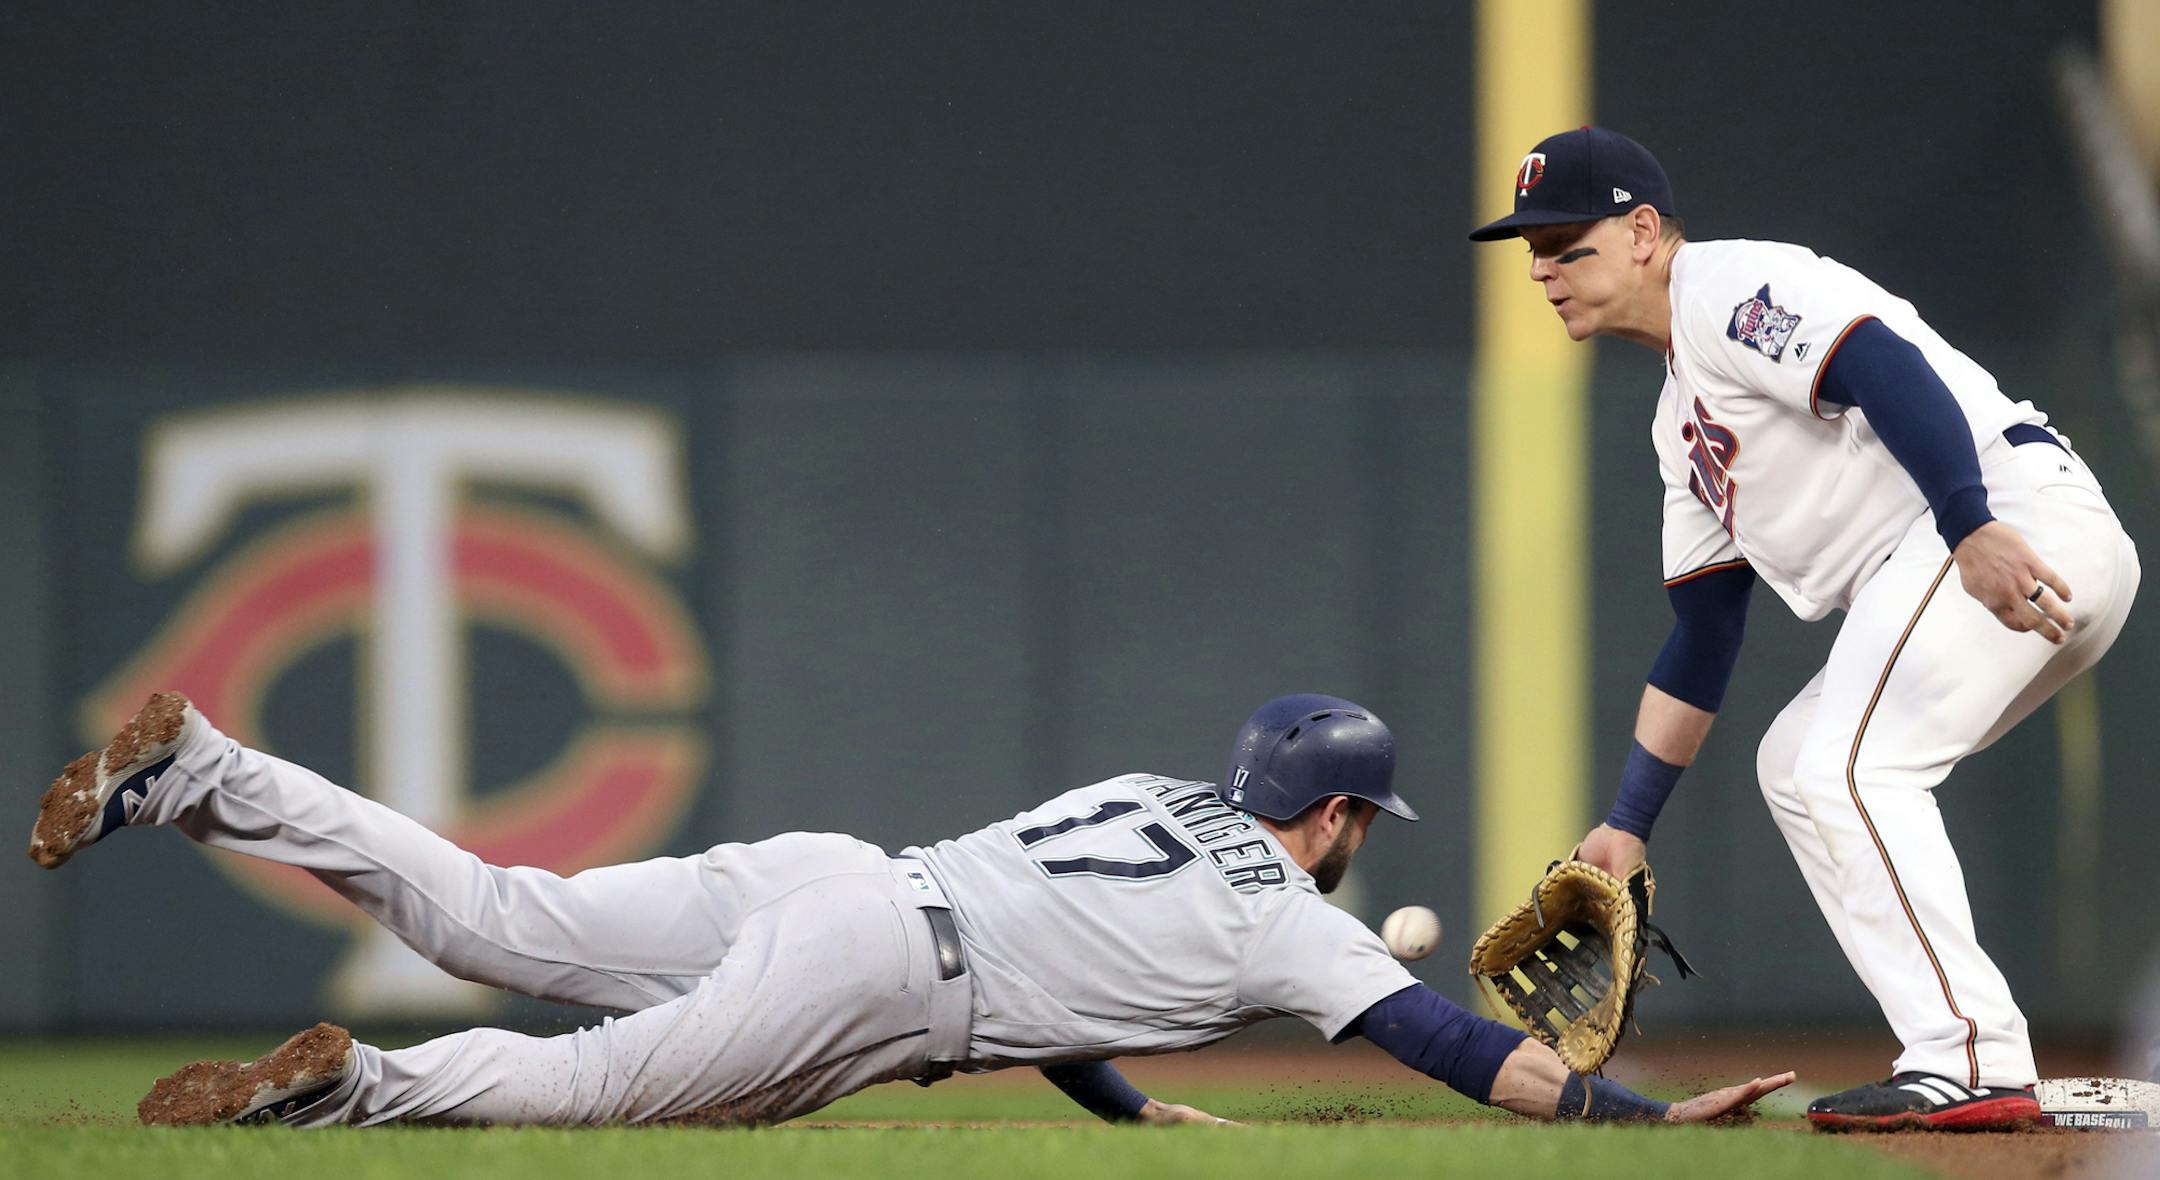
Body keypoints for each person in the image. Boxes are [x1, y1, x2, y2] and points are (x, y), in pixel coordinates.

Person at [28, 690, 1790, 1128]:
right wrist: (1647, 1119)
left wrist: (1107, 1098)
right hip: (881, 975)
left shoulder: (1137, 791)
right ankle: (359, 1094)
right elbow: (1456, 1049)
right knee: (600, 1092)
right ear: (1335, 814)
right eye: (1362, 819)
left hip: (843, 880)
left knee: (497, 909)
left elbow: (1067, 947)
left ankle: (207, 776)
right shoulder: (1301, 925)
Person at [1469, 127, 2141, 1130]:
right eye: (1533, 248)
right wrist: (1627, 823)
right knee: (1796, 761)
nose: (1542, 268)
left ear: (1644, 231)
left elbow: (1882, 364)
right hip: (1960, 556)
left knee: (1848, 766)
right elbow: (1703, 632)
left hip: (2006, 520)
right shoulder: (1677, 423)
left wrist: (1971, 525)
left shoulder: (1726, 286)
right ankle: (1961, 1049)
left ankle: (1970, 1057)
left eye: (1568, 243)